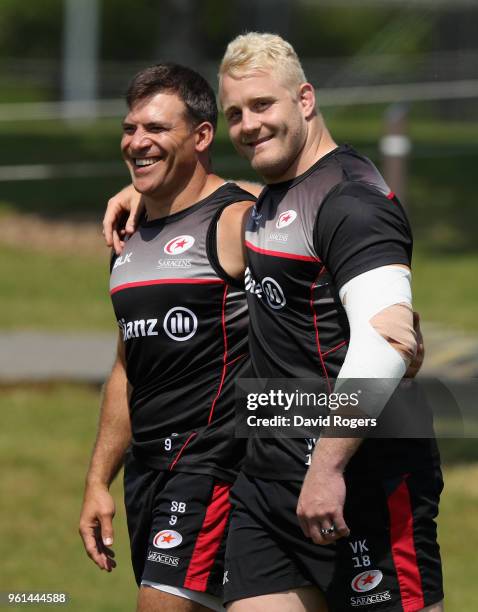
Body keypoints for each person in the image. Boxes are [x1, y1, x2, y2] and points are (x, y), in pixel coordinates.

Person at [101, 35, 438, 612]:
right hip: (268, 482)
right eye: (235, 113)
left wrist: (328, 467)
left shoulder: (352, 199)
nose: (249, 125)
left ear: (304, 100)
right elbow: (212, 201)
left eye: (263, 106)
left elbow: (388, 339)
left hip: (363, 474)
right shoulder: (270, 203)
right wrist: (144, 188)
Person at [79, 63, 258, 612]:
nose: (137, 142)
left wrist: (394, 329)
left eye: (156, 129)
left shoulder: (236, 221)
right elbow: (127, 368)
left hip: (212, 464)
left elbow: (316, 210)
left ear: (202, 137)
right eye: (131, 128)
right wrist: (98, 481)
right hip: (147, 474)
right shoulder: (127, 238)